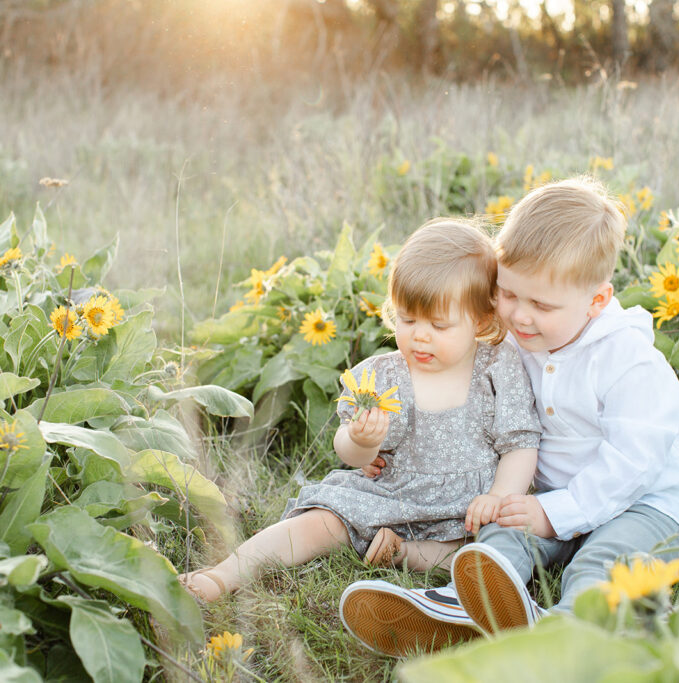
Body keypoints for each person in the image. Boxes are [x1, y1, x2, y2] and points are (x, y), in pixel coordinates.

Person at [340, 176, 679, 655]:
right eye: (509, 294)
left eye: (541, 304)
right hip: (551, 500)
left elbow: (633, 464)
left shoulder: (630, 361)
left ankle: (565, 635)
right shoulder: (514, 343)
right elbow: (463, 399)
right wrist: (385, 444)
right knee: (501, 535)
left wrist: (553, 513)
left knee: (603, 562)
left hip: (652, 506)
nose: (519, 316)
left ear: (596, 301)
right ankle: (457, 606)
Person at [179, 219, 541, 625]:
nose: (420, 336)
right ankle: (224, 574)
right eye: (407, 320)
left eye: (439, 325)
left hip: (467, 508)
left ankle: (407, 555)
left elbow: (520, 442)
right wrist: (361, 440)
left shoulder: (497, 366)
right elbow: (349, 454)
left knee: (491, 549)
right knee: (321, 522)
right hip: (390, 494)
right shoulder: (382, 375)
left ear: (480, 320)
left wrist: (499, 495)